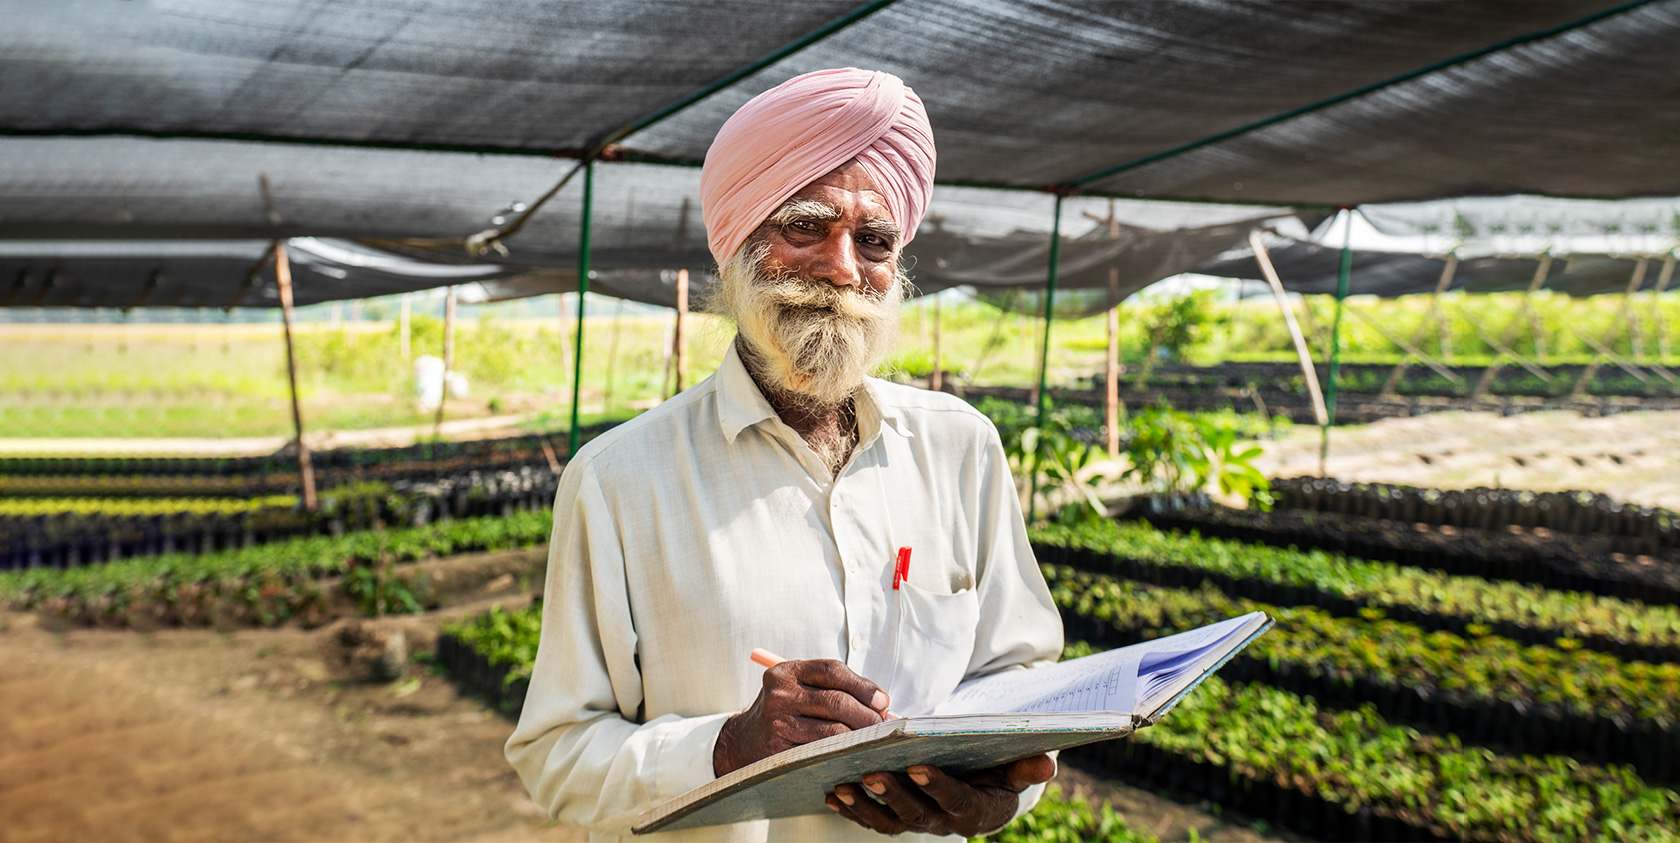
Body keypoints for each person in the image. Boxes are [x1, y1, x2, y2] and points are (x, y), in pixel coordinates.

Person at [506, 67, 1064, 842]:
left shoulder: (961, 448)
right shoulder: (618, 481)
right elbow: (557, 756)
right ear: (737, 244)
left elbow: (1020, 678)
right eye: (806, 226)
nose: (842, 268)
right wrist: (726, 747)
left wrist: (999, 795)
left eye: (873, 240)